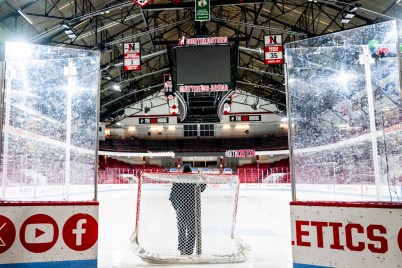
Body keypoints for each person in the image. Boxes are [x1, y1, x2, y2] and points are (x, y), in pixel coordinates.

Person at [169, 165, 206, 255]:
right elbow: (201, 188)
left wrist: (177, 208)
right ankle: (189, 250)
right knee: (191, 230)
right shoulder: (193, 179)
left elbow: (171, 197)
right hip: (191, 209)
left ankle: (182, 248)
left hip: (181, 210)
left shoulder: (177, 181)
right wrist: (204, 181)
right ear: (190, 171)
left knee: (181, 229)